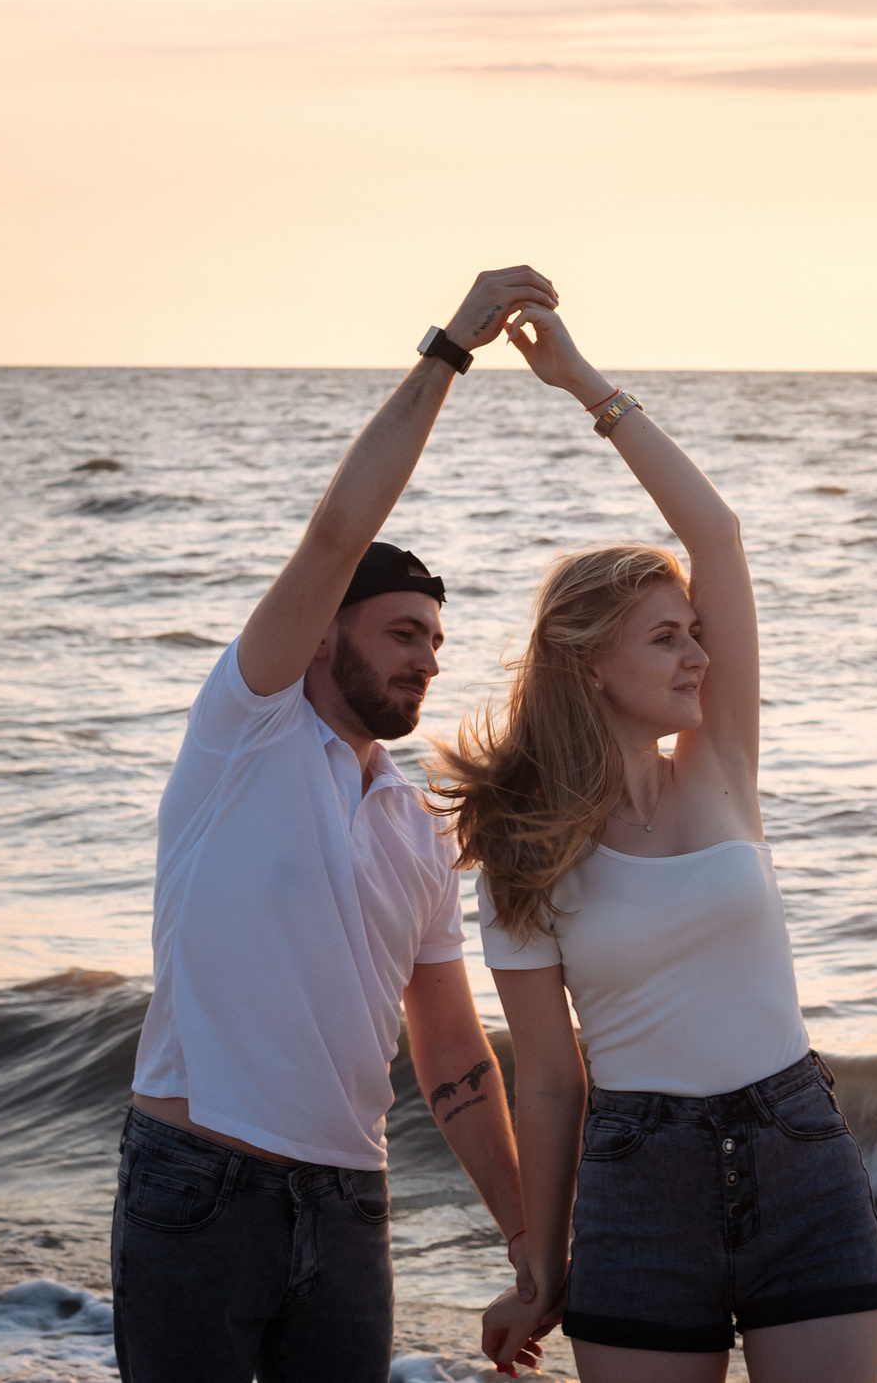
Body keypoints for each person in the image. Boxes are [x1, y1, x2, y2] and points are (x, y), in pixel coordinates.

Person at [113, 266, 557, 1383]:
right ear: (323, 634)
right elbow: (336, 529)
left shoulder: (412, 824)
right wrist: (450, 349)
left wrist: (524, 1236)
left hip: (349, 1202)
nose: (425, 658)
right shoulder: (244, 734)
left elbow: (452, 1052)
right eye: (403, 630)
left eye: (436, 644)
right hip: (199, 1183)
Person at [438, 305, 877, 1383]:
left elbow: (718, 534)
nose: (696, 652)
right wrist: (537, 1263)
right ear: (591, 661)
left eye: (696, 630)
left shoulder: (721, 759)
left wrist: (587, 385)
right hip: (638, 1185)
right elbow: (549, 1080)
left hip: (799, 1158)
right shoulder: (522, 842)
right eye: (664, 635)